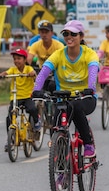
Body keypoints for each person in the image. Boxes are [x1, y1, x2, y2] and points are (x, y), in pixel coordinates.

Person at [32, 20, 99, 158]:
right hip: (63, 98)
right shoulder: (58, 54)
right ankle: (62, 167)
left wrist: (90, 88)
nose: (69, 37)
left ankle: (88, 143)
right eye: (66, 33)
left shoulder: (89, 54)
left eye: (73, 34)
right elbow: (44, 72)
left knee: (77, 106)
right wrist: (36, 89)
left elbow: (93, 72)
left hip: (85, 97)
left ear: (81, 36)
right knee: (56, 127)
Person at [0, 49, 38, 152]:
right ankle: (10, 139)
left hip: (27, 96)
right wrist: (1, 75)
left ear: (24, 59)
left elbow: (33, 72)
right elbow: (6, 72)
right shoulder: (13, 70)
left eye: (19, 58)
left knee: (32, 109)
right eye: (14, 59)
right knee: (10, 116)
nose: (16, 61)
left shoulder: (28, 68)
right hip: (16, 97)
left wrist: (32, 74)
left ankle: (37, 122)